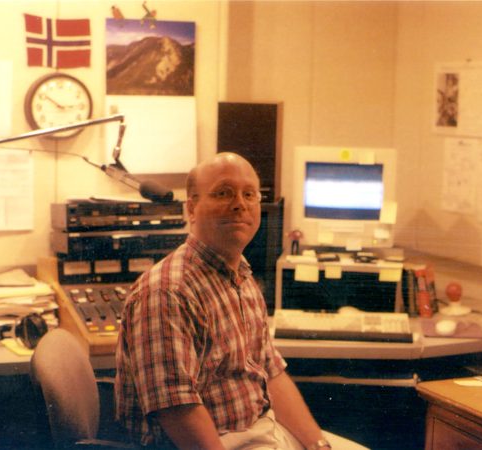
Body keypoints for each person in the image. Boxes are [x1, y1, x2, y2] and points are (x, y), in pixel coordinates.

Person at [115, 152, 331, 450]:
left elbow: (271, 373)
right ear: (192, 208)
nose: (240, 204)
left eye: (249, 194)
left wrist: (320, 446)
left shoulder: (241, 275)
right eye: (223, 193)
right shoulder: (165, 292)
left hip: (264, 430)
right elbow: (177, 410)